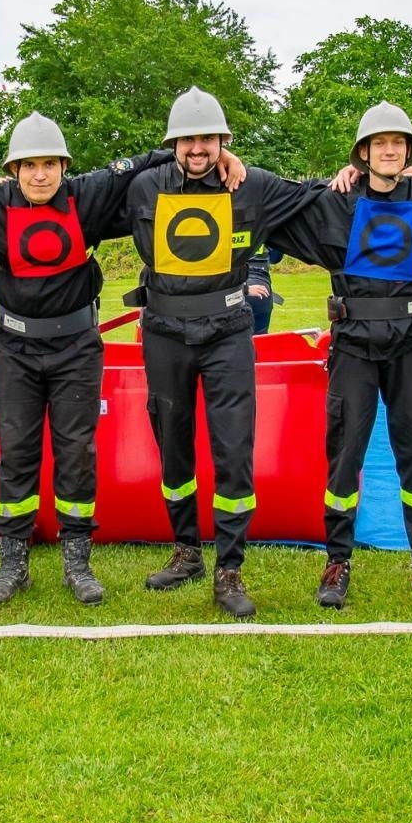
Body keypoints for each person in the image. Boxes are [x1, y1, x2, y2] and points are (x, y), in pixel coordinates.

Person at [0, 115, 242, 607]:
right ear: (12, 170)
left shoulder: (89, 194)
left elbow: (154, 157)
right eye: (28, 166)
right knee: (16, 453)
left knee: (77, 453)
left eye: (49, 164)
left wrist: (224, 157)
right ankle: (12, 564)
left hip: (76, 348)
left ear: (64, 166)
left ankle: (76, 561)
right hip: (13, 349)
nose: (40, 175)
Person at [270, 102, 412, 608]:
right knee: (345, 455)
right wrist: (328, 180)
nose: (389, 151)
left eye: (398, 144)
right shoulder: (339, 201)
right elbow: (279, 204)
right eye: (378, 144)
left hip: (410, 342)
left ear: (408, 151)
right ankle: (337, 560)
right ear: (362, 153)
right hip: (353, 345)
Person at [126, 86, 321, 618]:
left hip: (229, 332)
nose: (198, 148)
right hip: (164, 332)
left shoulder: (250, 186)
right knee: (173, 443)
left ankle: (229, 568)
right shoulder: (144, 185)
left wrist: (362, 175)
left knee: (234, 449)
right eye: (187, 139)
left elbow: (316, 196)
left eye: (208, 138)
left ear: (223, 141)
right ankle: (187, 550)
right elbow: (83, 191)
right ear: (172, 143)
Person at [243, 246, 284, 334]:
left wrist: (244, 288)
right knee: (260, 340)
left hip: (234, 288)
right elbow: (275, 258)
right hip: (261, 285)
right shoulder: (263, 231)